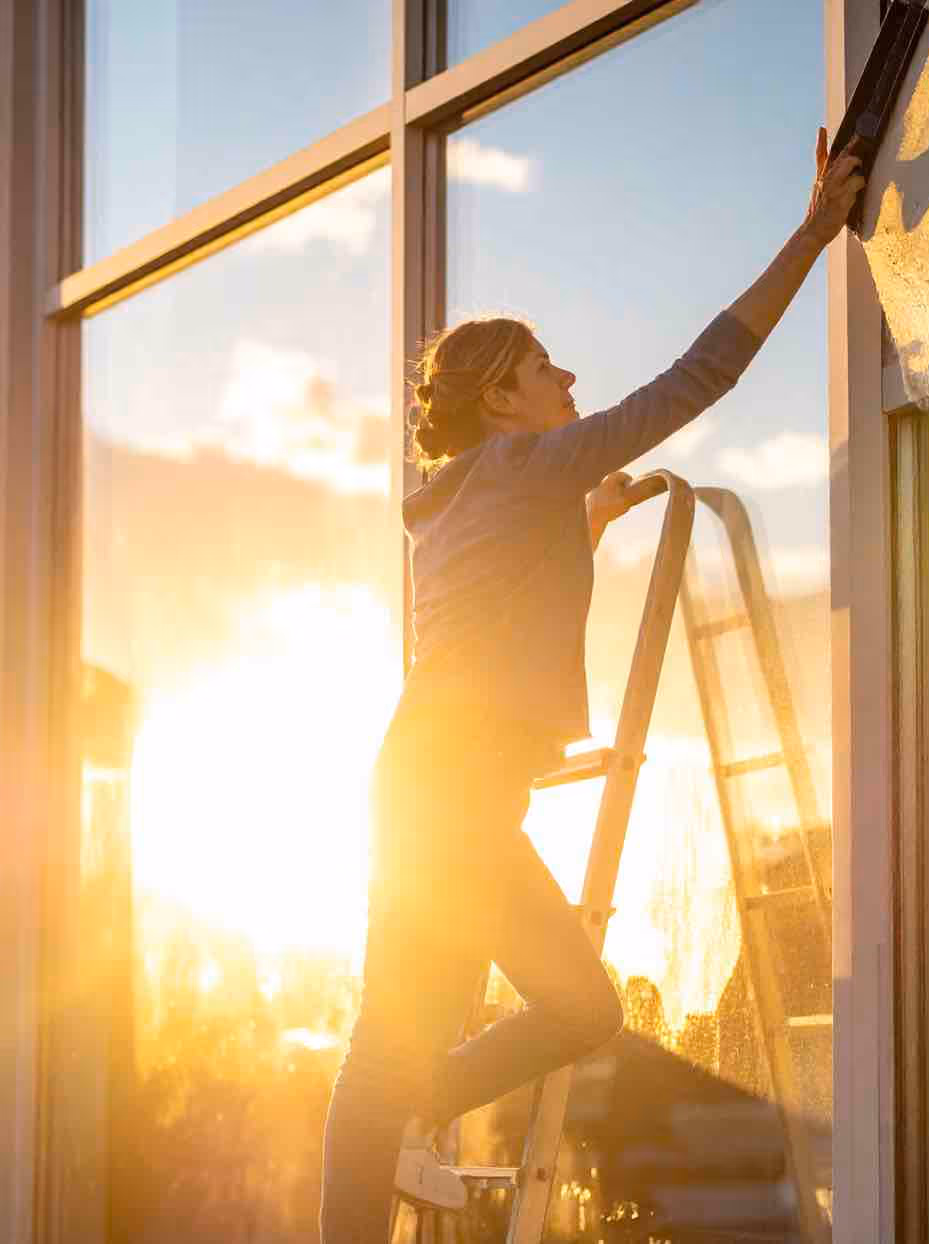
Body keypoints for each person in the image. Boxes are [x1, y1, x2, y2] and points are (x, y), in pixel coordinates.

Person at [318, 129, 865, 1242]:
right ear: (500, 403)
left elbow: (502, 608)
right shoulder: (522, 471)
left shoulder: (480, 494)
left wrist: (586, 525)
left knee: (579, 1006)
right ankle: (387, 1140)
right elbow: (697, 377)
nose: (567, 378)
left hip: (449, 787)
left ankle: (418, 1108)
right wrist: (809, 237)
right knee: (389, 1039)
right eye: (542, 367)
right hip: (445, 789)